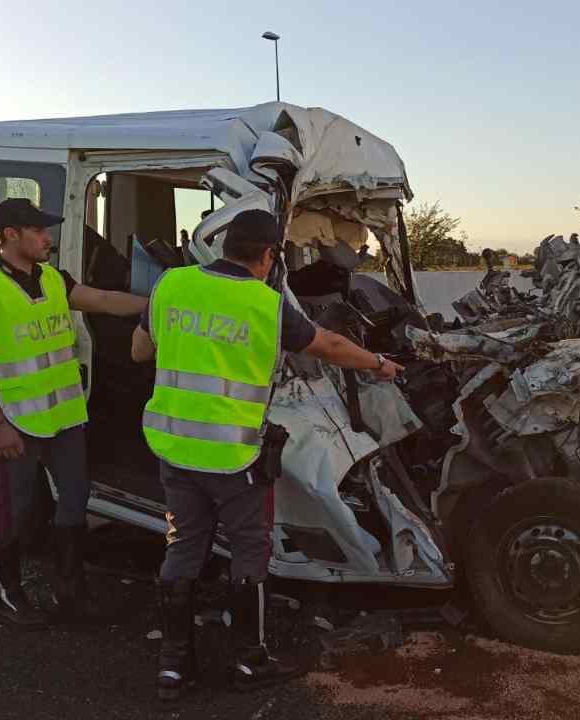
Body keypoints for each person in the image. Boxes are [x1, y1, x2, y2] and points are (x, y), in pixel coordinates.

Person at [130, 209, 403, 699]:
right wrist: (380, 364)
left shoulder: (170, 284)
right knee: (250, 552)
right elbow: (331, 345)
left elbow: (138, 352)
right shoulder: (266, 305)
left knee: (184, 548)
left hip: (174, 447)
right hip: (234, 457)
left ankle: (172, 666)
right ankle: (248, 661)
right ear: (269, 255)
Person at [0, 198, 147, 629]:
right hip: (17, 422)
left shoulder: (54, 279)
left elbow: (101, 300)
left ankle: (70, 592)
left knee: (75, 502)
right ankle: (7, 596)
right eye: (38, 231)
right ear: (9, 236)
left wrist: (158, 303)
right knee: (15, 512)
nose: (48, 238)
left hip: (64, 418)